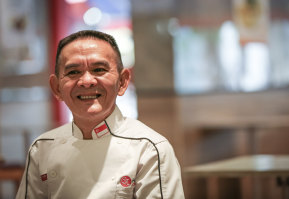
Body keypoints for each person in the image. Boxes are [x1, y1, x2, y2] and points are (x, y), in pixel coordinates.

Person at [16, 30, 185, 199]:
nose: (87, 81)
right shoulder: (41, 148)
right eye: (73, 72)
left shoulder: (149, 149)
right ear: (57, 87)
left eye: (99, 69)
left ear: (122, 81)